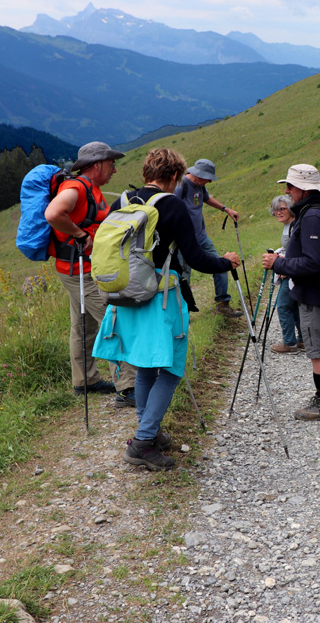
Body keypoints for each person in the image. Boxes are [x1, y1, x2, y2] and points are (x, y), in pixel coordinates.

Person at [92, 148, 241, 470]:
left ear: (146, 171)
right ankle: (143, 442)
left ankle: (151, 429)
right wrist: (226, 263)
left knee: (146, 366)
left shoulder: (124, 201)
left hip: (125, 297)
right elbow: (197, 258)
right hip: (160, 298)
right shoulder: (171, 204)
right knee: (172, 370)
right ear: (174, 176)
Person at [44, 141, 137, 405]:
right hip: (81, 271)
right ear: (96, 165)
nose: (114, 170)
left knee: (83, 326)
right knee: (114, 320)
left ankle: (86, 380)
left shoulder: (90, 189)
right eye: (111, 164)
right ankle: (128, 388)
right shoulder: (76, 187)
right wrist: (80, 233)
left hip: (78, 268)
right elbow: (53, 213)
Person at [261, 164, 320, 421]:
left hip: (314, 292)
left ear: (304, 188)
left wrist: (278, 263)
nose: (286, 192)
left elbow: (313, 262)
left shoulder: (311, 217)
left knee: (318, 349)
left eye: (290, 186)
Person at [173, 158, 243, 318]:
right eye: (208, 177)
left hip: (201, 237)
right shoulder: (180, 186)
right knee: (184, 277)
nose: (210, 181)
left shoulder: (200, 185)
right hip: (183, 241)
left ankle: (223, 304)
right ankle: (183, 314)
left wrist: (225, 209)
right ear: (198, 174)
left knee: (222, 265)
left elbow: (206, 198)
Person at [268, 194, 304, 354]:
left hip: (291, 272)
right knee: (294, 306)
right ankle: (303, 340)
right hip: (291, 269)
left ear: (290, 209)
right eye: (276, 209)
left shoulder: (295, 226)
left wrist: (284, 267)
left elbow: (298, 250)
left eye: (282, 208)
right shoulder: (290, 225)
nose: (278, 212)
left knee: (283, 306)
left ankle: (289, 344)